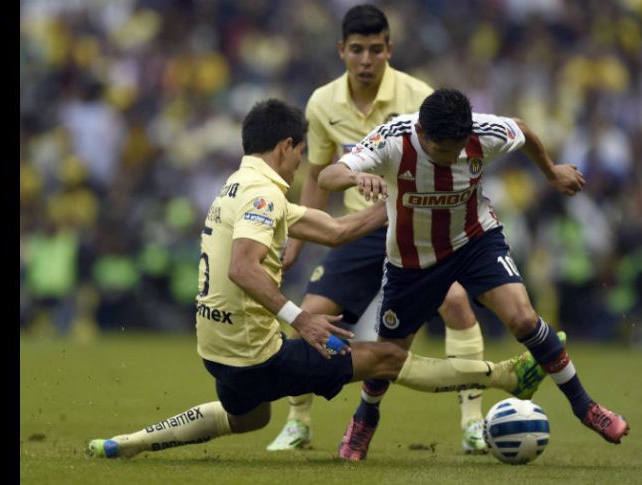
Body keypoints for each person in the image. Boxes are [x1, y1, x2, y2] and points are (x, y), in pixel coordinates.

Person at [87, 98, 551, 460]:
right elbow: (243, 267)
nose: (301, 164)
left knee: (248, 418)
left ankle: (130, 441)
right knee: (386, 357)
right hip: (257, 355)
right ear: (287, 145)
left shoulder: (237, 185)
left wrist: (397, 197)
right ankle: (506, 376)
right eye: (301, 153)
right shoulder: (263, 194)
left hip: (216, 349)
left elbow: (336, 231)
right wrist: (302, 320)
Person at [318, 88, 630, 461]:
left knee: (523, 318)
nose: (451, 158)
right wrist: (356, 179)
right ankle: (365, 417)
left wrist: (551, 173)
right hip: (413, 259)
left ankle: (586, 408)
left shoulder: (483, 133)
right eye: (442, 151)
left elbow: (523, 129)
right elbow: (328, 175)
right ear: (422, 132)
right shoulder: (393, 140)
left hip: (475, 240)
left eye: (457, 149)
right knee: (389, 355)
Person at [268, 4, 490, 455]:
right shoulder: (322, 103)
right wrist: (298, 238)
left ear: (389, 49)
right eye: (356, 50)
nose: (365, 60)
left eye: (374, 49)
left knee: (456, 303)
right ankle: (299, 423)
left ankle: (472, 422)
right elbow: (315, 176)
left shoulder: (418, 97)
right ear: (341, 51)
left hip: (410, 225)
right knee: (307, 317)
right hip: (356, 230)